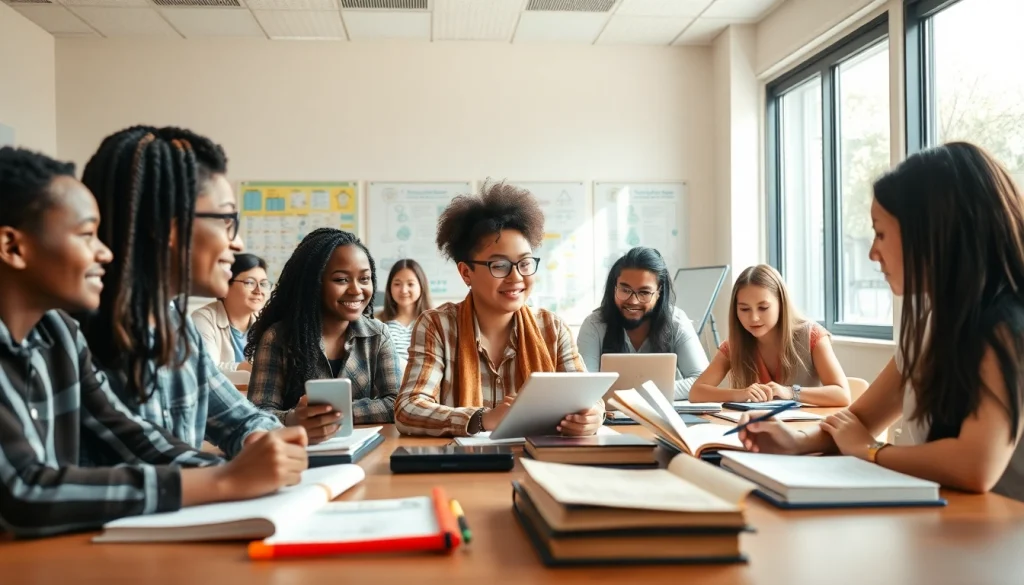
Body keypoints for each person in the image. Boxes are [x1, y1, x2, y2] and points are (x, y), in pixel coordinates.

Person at [0, 147, 306, 538]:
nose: (104, 252)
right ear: (13, 247)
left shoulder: (60, 333)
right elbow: (25, 491)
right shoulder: (90, 328)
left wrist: (249, 469)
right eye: (85, 235)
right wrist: (226, 481)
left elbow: (136, 436)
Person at [739, 143, 1024, 500]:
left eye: (881, 234)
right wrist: (796, 442)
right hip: (951, 523)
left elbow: (976, 466)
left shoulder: (1007, 326)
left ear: (931, 236)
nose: (873, 252)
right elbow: (858, 419)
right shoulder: (932, 325)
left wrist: (871, 451)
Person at [78, 126, 282, 458]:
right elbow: (150, 468)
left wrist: (267, 443)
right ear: (170, 228)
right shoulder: (75, 338)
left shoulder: (175, 324)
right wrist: (232, 476)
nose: (238, 243)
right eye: (226, 220)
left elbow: (242, 421)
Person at [394, 182, 604, 437]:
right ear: (466, 272)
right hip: (461, 469)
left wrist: (593, 414)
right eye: (500, 265)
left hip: (534, 462)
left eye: (524, 263)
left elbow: (587, 396)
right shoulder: (437, 326)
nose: (516, 277)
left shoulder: (552, 328)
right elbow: (407, 409)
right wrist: (482, 419)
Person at [247, 228, 400, 442]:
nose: (356, 289)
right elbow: (256, 415)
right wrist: (293, 419)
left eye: (364, 279)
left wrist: (334, 414)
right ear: (313, 284)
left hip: (362, 453)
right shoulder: (278, 338)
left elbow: (396, 404)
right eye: (341, 280)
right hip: (299, 455)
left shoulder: (378, 334)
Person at [688, 264, 850, 406]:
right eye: (744, 309)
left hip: (802, 433)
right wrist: (740, 394)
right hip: (756, 432)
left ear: (781, 303)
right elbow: (696, 392)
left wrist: (791, 392)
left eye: (763, 307)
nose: (754, 318)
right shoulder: (735, 344)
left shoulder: (812, 335)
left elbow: (842, 394)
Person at [576, 247, 709, 400]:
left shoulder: (677, 322)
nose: (633, 301)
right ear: (614, 287)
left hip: (664, 415)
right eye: (625, 290)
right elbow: (586, 386)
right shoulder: (594, 324)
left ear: (659, 293)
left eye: (644, 292)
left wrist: (638, 396)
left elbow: (702, 380)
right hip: (610, 417)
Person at [192, 253, 270, 373]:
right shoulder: (202, 319)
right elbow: (208, 370)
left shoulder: (266, 322)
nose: (258, 291)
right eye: (249, 282)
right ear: (225, 286)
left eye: (263, 284)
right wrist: (242, 368)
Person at [377, 258, 433, 363]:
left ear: (421, 286)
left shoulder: (433, 322)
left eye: (410, 284)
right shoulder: (378, 321)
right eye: (397, 284)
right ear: (389, 287)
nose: (403, 290)